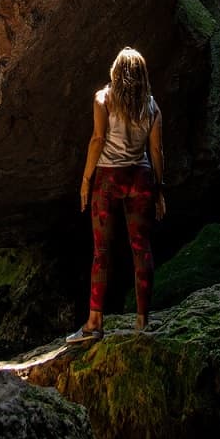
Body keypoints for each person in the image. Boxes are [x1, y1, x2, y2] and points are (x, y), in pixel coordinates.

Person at [66, 46, 165, 343]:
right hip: (141, 177)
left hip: (109, 178)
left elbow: (97, 139)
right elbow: (157, 150)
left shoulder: (103, 99)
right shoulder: (151, 106)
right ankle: (142, 320)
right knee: (141, 248)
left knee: (102, 252)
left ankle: (94, 323)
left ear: (115, 72)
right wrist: (159, 190)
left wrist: (86, 180)